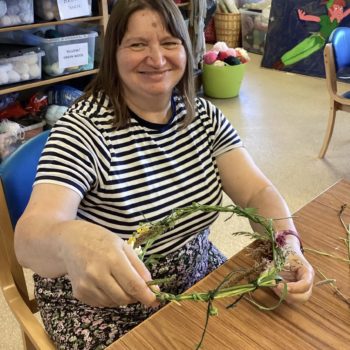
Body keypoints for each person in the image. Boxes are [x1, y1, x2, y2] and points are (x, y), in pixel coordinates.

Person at [14, 0, 314, 348]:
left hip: (196, 276)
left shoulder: (203, 116)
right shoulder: (83, 129)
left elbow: (256, 193)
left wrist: (286, 246)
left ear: (186, 50)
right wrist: (72, 240)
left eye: (169, 43)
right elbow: (30, 237)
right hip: (104, 304)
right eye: (137, 44)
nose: (156, 59)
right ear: (113, 54)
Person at [274, 0, 350, 70]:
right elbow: (315, 18)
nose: (340, 10)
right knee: (300, 49)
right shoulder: (325, 19)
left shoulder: (337, 21)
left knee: (304, 54)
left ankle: (284, 63)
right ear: (330, 9)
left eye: (341, 8)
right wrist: (303, 17)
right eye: (337, 8)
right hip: (315, 38)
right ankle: (282, 60)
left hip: (320, 43)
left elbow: (347, 12)